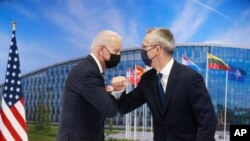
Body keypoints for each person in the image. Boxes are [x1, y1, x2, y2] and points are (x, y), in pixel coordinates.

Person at [111, 28, 217, 141]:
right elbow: (124, 107)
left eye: (144, 47)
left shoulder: (190, 77)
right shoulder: (147, 79)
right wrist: (118, 90)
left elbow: (207, 120)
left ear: (157, 50)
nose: (141, 50)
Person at [57, 30, 123, 141]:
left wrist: (107, 93)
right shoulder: (89, 72)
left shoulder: (90, 69)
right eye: (116, 51)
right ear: (102, 49)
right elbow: (109, 109)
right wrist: (116, 91)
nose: (118, 55)